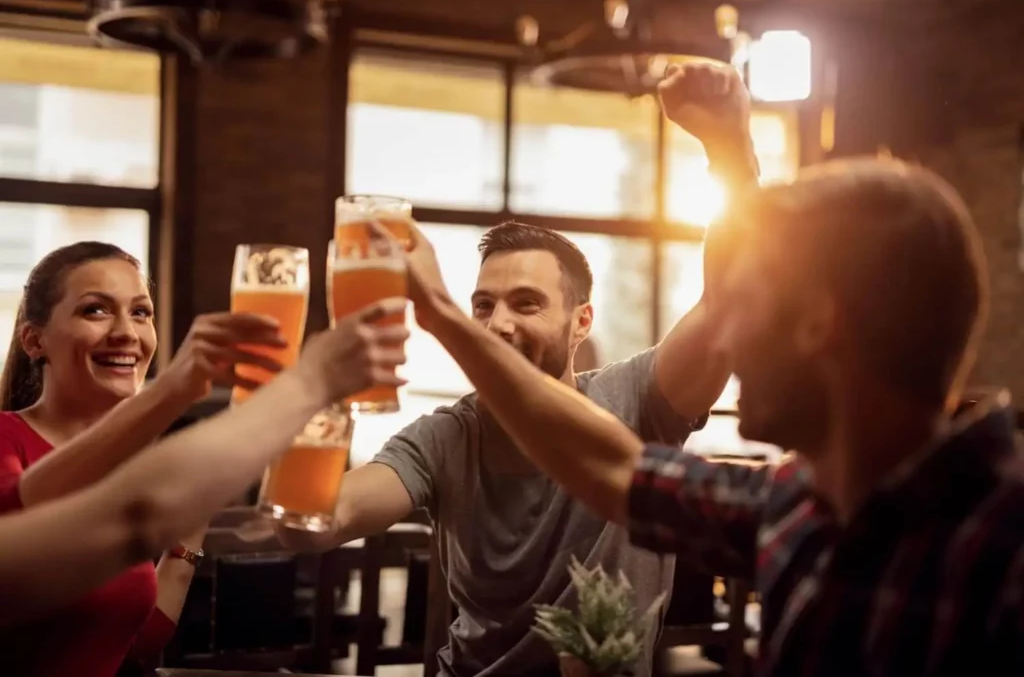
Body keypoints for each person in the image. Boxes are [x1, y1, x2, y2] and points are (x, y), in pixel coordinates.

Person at [403, 155, 1024, 676]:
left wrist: (446, 316)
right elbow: (610, 467)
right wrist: (441, 316)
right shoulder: (796, 506)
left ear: (816, 324)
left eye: (744, 309)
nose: (722, 346)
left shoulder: (1002, 548)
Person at [276, 62, 759, 677]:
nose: (499, 323)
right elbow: (313, 526)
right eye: (483, 305)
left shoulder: (637, 398)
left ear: (582, 322)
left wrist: (730, 154)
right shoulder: (448, 436)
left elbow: (726, 306)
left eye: (526, 304)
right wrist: (315, 386)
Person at [0, 241, 407, 677]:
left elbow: (139, 640)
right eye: (95, 311)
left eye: (140, 312)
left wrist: (191, 525)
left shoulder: (136, 464)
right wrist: (305, 383)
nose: (126, 332)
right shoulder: (8, 437)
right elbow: (38, 518)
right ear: (33, 339)